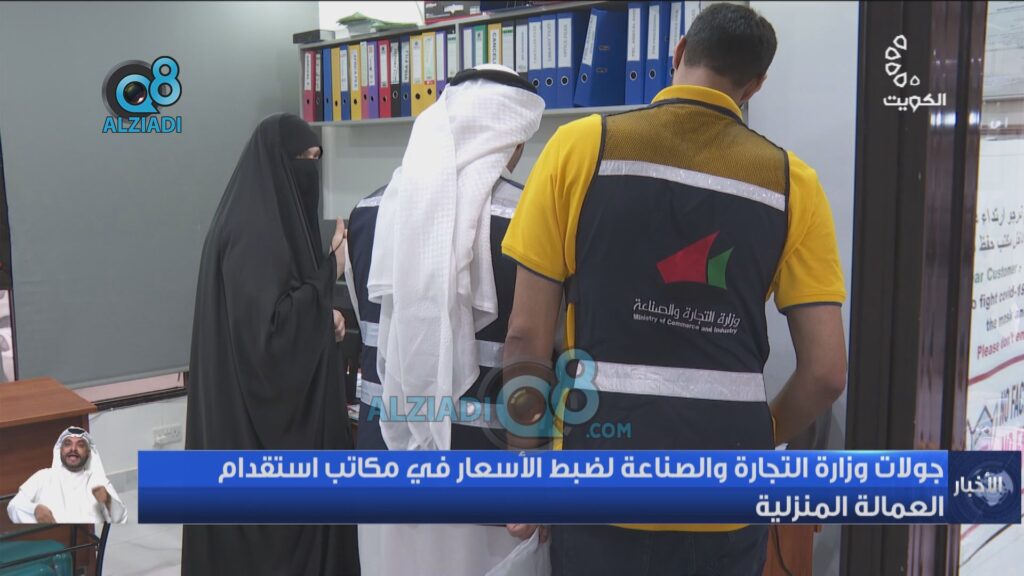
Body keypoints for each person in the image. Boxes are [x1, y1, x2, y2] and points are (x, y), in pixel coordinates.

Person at [500, 4, 848, 575]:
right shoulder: (793, 183)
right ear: (756, 85)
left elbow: (524, 335)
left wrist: (525, 467)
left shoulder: (581, 147)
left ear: (679, 50)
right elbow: (827, 372)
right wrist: (760, 436)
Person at [350, 64, 545, 575]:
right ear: (514, 140)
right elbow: (533, 346)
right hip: (488, 473)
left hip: (382, 459)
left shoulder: (368, 211)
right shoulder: (529, 216)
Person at [183, 113, 359, 575]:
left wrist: (324, 313)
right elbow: (271, 339)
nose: (311, 171)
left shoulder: (259, 222)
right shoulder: (253, 234)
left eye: (317, 159)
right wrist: (332, 271)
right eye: (304, 160)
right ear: (278, 165)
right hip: (254, 440)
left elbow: (274, 311)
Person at [7, 427, 127, 525]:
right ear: (60, 449)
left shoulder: (98, 481)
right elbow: (14, 506)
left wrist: (108, 501)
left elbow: (121, 518)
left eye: (80, 445)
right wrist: (34, 509)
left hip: (87, 545)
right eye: (68, 444)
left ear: (88, 452)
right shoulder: (43, 476)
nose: (73, 449)